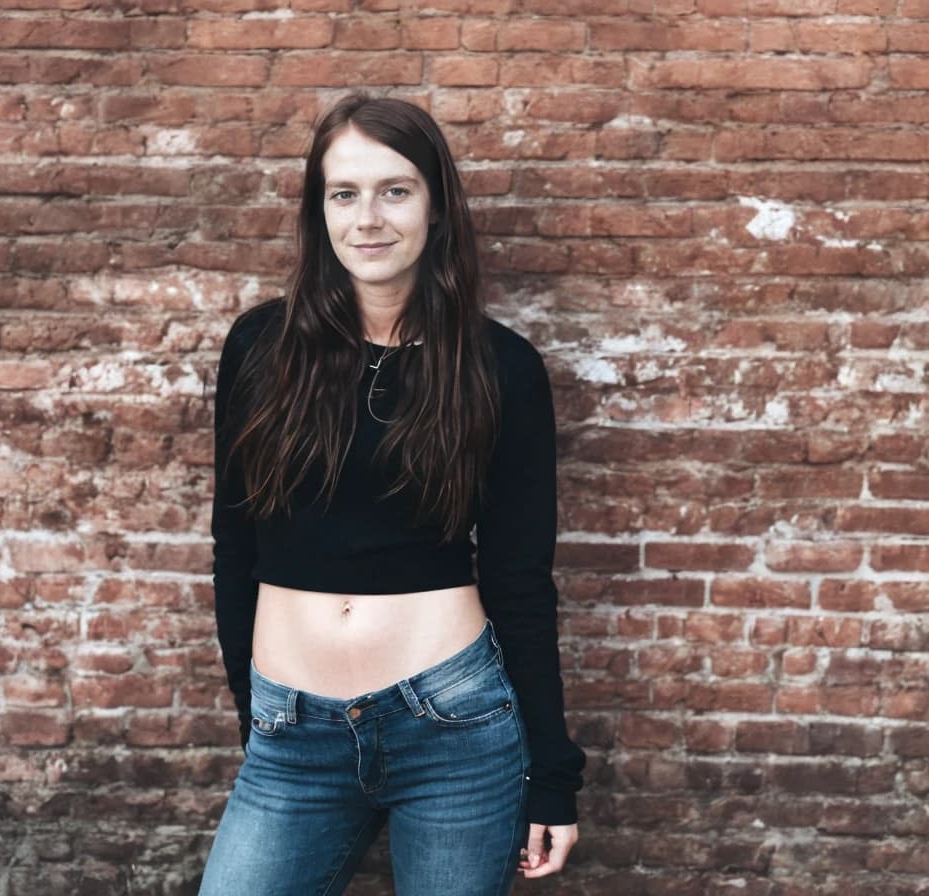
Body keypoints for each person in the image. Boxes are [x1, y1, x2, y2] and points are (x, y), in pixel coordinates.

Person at [197, 92, 585, 896]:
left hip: (454, 730)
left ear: (436, 208)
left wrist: (552, 773)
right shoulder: (261, 349)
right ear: (320, 211)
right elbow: (234, 549)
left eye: (395, 190)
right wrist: (256, 711)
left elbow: (520, 580)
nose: (368, 218)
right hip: (291, 735)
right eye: (345, 193)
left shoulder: (498, 367)